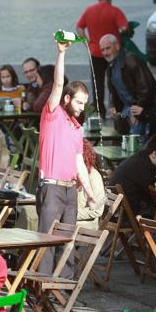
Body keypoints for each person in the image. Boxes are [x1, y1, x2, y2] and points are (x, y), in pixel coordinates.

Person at [37, 41, 97, 276]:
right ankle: (42, 286)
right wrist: (61, 53)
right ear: (67, 99)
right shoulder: (52, 114)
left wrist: (90, 194)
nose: (82, 107)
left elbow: (79, 163)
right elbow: (59, 83)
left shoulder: (76, 128)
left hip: (71, 189)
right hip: (51, 186)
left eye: (84, 103)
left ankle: (65, 287)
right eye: (79, 102)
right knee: (47, 242)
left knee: (67, 243)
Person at [99, 34, 156, 135]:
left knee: (135, 136)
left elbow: (145, 87)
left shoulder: (130, 60)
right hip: (127, 106)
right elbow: (113, 90)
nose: (105, 53)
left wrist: (139, 108)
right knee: (121, 134)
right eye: (102, 50)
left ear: (117, 46)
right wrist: (113, 105)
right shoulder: (111, 65)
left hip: (144, 106)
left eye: (108, 48)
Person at [77, 0, 128, 119]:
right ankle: (116, 108)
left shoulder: (89, 10)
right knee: (115, 80)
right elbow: (124, 27)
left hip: (95, 51)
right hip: (113, 53)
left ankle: (100, 111)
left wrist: (87, 42)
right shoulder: (115, 11)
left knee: (97, 83)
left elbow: (79, 27)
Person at [109, 134, 156, 218]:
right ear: (154, 154)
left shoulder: (140, 159)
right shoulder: (145, 168)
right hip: (127, 213)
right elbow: (153, 193)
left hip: (118, 209)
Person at [77, 139, 107, 230]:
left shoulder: (94, 177)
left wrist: (70, 213)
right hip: (69, 220)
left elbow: (97, 210)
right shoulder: (72, 174)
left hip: (84, 225)